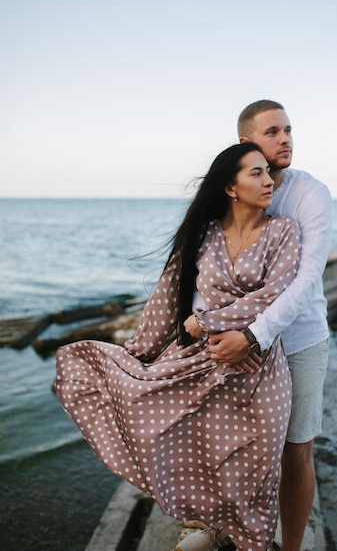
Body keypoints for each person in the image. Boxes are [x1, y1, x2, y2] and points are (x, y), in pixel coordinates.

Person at [55, 142, 301, 551]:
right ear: (230, 187)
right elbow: (167, 298)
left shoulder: (283, 231)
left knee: (255, 471)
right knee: (197, 453)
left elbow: (274, 295)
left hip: (259, 369)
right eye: (255, 173)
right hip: (199, 365)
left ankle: (250, 541)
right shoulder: (203, 235)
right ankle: (207, 527)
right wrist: (139, 354)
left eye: (267, 172)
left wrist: (206, 321)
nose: (267, 180)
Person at [201, 101, 333, 551]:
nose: (285, 139)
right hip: (234, 341)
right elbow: (205, 266)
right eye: (273, 131)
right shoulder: (229, 194)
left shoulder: (309, 193)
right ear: (245, 143)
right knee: (233, 446)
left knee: (296, 450)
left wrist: (254, 336)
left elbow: (306, 277)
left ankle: (290, 546)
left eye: (289, 130)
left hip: (299, 340)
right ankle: (228, 534)